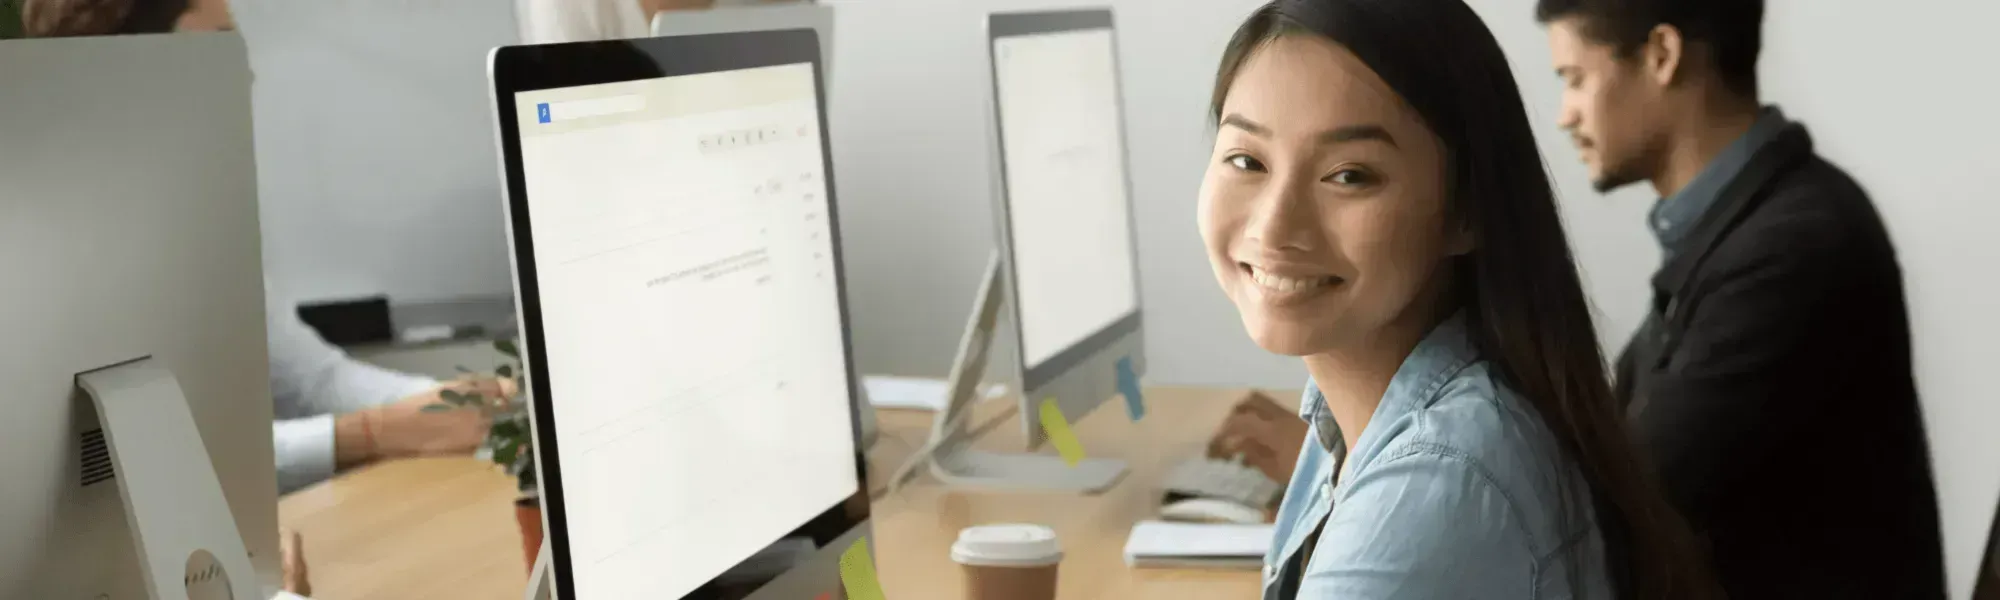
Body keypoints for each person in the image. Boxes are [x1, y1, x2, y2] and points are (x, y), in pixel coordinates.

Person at [1201, 1, 1720, 597]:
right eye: (1247, 160)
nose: (1273, 227)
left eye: (1350, 175)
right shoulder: (1378, 408)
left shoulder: (1438, 481)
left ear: (1466, 210)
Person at [1533, 1, 1947, 597]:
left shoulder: (1796, 245)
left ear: (1662, 55)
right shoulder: (1736, 234)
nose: (1565, 116)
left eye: (1575, 79)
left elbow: (1626, 504)